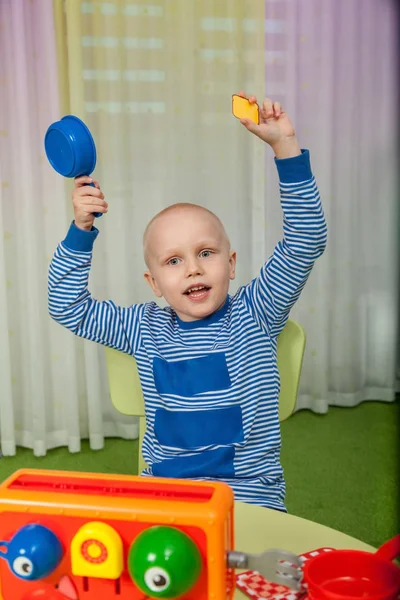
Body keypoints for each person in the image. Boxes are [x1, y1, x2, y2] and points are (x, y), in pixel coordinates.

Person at [48, 93, 327, 511]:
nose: (193, 269)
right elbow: (66, 305)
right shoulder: (142, 328)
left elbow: (306, 240)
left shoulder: (257, 311)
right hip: (166, 494)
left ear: (231, 265)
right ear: (155, 282)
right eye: (174, 261)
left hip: (249, 495)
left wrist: (284, 146)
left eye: (206, 253)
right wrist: (80, 228)